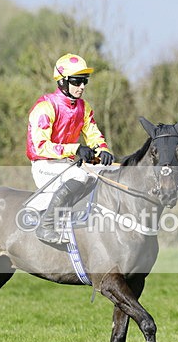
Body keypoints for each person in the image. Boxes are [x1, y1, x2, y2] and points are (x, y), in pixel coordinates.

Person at [26, 53, 114, 244]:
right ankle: (46, 226)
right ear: (63, 81)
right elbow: (40, 147)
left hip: (66, 165)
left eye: (85, 81)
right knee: (81, 176)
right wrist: (75, 149)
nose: (82, 86)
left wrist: (102, 150)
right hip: (44, 165)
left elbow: (93, 134)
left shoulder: (84, 107)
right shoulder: (45, 107)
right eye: (77, 81)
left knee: (105, 172)